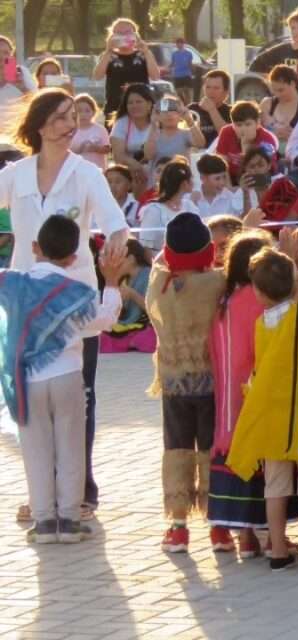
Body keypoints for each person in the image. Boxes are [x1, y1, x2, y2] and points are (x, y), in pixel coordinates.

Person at [0, 89, 130, 520]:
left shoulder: (86, 174)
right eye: (58, 117)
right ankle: (43, 496)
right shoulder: (14, 174)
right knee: (28, 397)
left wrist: (114, 247)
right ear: (38, 125)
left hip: (74, 296)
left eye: (72, 116)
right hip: (24, 300)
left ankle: (81, 493)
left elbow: (116, 223)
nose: (68, 125)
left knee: (81, 396)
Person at [2, 215, 123, 544]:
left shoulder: (11, 283)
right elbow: (106, 321)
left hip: (27, 380)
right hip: (68, 375)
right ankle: (69, 521)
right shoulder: (79, 291)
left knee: (35, 449)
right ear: (74, 257)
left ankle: (43, 523)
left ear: (34, 248)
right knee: (70, 446)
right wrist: (110, 283)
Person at [225, 247, 298, 571]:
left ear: (258, 291)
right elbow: (297, 306)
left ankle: (279, 549)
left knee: (275, 486)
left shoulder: (262, 322)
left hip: (271, 414)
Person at [145, 212, 224, 554]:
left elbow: (161, 262)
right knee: (210, 448)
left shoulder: (159, 284)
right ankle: (218, 526)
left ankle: (178, 527)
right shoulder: (217, 283)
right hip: (211, 382)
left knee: (176, 448)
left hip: (174, 381)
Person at [204, 230, 274, 556]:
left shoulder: (224, 301)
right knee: (256, 454)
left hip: (226, 396)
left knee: (229, 448)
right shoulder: (260, 301)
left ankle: (230, 532)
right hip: (254, 391)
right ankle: (258, 535)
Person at [92, 19, 160, 117]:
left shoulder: (143, 54)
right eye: (119, 33)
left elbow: (155, 76)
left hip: (142, 108)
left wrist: (146, 51)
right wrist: (108, 51)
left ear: (135, 35)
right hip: (115, 108)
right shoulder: (108, 56)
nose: (123, 36)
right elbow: (97, 76)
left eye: (127, 32)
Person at [138, 160, 198, 253]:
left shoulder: (190, 206)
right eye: (191, 178)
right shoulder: (153, 210)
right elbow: (145, 248)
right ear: (184, 183)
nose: (193, 181)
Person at [213, 101, 279, 184]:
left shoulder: (266, 139)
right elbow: (221, 164)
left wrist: (246, 147)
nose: (243, 129)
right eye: (238, 125)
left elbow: (265, 169)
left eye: (248, 124)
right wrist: (229, 188)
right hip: (231, 178)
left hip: (260, 180)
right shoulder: (226, 132)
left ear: (258, 123)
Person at [258, 65, 298, 158]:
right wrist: (273, 132)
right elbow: (256, 132)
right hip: (271, 157)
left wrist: (295, 135)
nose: (277, 94)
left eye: (281, 90)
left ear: (293, 84)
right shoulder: (267, 103)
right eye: (274, 90)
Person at [143, 94, 205, 166]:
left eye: (173, 110)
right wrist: (153, 125)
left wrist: (190, 121)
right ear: (158, 114)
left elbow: (200, 144)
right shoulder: (152, 134)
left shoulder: (185, 133)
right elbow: (148, 156)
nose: (169, 114)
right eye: (165, 111)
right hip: (158, 176)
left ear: (180, 115)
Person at [108, 83, 155, 179]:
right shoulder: (122, 123)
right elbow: (118, 156)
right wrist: (138, 166)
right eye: (130, 103)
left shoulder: (159, 122)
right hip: (131, 174)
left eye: (139, 102)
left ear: (149, 104)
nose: (134, 106)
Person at [189, 154, 242, 219]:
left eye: (224, 177)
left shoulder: (229, 197)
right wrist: (192, 204)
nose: (222, 182)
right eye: (217, 178)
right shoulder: (190, 198)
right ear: (203, 178)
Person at [189, 70, 231, 144]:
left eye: (216, 88)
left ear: (226, 92)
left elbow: (228, 136)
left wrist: (212, 110)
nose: (211, 92)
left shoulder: (231, 112)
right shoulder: (192, 109)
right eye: (208, 87)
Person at [71, 94, 111, 169]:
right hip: (76, 169)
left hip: (97, 170)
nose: (83, 114)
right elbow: (65, 152)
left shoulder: (100, 129)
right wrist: (79, 149)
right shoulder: (70, 130)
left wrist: (96, 148)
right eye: (79, 111)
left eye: (87, 111)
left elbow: (108, 149)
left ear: (93, 112)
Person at [170, 38, 195, 104]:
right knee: (178, 93)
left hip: (186, 75)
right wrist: (168, 68)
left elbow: (190, 64)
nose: (179, 45)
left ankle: (189, 105)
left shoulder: (188, 53)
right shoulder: (174, 54)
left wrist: (193, 71)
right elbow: (172, 63)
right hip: (177, 75)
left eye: (181, 43)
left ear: (183, 44)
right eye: (177, 43)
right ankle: (182, 104)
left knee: (188, 93)